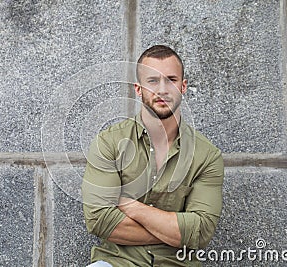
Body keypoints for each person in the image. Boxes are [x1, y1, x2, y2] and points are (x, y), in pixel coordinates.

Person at [82, 45, 224, 266]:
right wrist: (176, 233)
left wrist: (130, 206)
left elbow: (202, 231)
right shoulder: (108, 143)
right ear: (138, 89)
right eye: (152, 81)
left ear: (183, 86)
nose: (162, 89)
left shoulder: (207, 156)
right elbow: (99, 220)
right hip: (117, 262)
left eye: (171, 80)